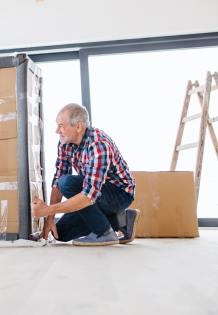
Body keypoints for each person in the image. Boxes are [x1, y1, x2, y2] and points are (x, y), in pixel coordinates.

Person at [31, 103, 139, 246]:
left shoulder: (99, 145)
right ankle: (122, 220)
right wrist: (50, 219)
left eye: (62, 126)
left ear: (79, 126)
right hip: (96, 193)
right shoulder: (65, 142)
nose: (57, 131)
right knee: (61, 232)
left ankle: (105, 233)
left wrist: (48, 210)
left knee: (67, 183)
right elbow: (57, 180)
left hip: (118, 194)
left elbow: (88, 196)